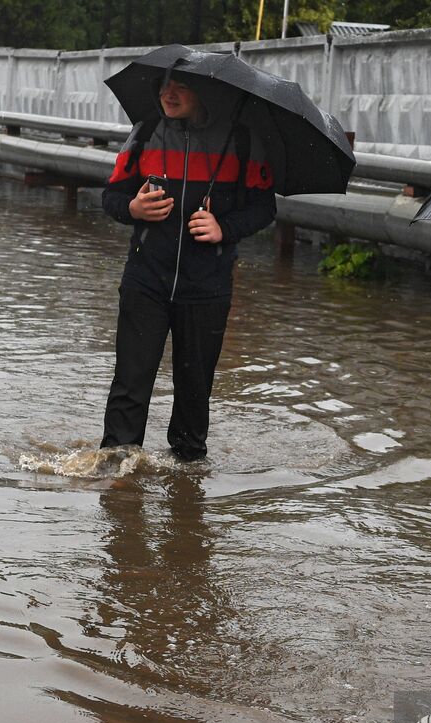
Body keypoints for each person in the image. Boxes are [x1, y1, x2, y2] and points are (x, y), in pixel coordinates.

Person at [100, 75, 277, 461]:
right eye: (163, 85)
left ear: (205, 91)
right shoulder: (145, 132)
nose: (168, 93)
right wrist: (132, 208)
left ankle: (188, 480)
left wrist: (223, 228)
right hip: (145, 279)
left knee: (195, 388)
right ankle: (116, 474)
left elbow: (265, 208)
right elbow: (111, 195)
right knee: (131, 382)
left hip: (207, 285)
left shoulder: (242, 140)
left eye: (180, 86)